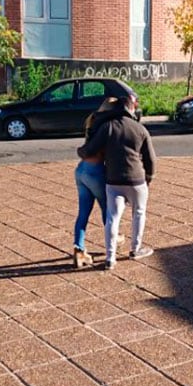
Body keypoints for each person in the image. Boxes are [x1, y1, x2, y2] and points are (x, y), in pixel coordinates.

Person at [77, 95, 156, 270]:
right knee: (139, 213)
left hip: (113, 180)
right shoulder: (140, 129)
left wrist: (80, 151)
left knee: (113, 217)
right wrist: (148, 178)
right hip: (136, 179)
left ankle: (110, 258)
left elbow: (89, 149)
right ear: (131, 109)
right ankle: (135, 249)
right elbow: (150, 159)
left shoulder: (108, 127)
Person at [72, 97, 122, 268]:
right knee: (107, 209)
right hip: (95, 170)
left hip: (81, 170)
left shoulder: (92, 119)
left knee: (83, 213)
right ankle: (113, 239)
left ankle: (79, 251)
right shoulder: (107, 125)